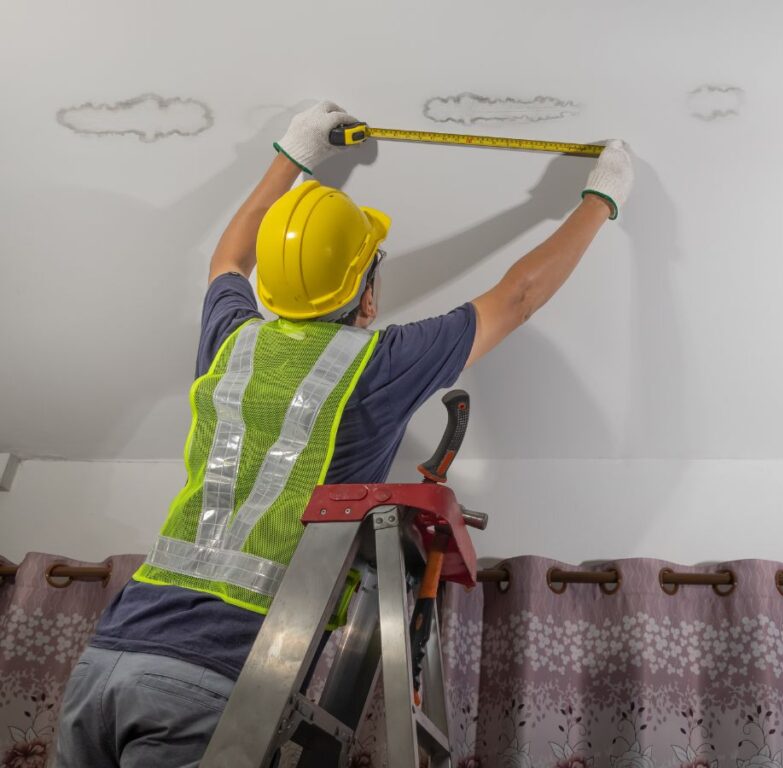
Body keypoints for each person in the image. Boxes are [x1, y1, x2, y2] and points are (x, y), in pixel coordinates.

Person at [54, 100, 633, 767]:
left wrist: (293, 155)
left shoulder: (231, 339)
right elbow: (516, 298)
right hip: (207, 680)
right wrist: (603, 197)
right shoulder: (377, 363)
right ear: (366, 293)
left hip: (105, 666)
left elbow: (228, 255)